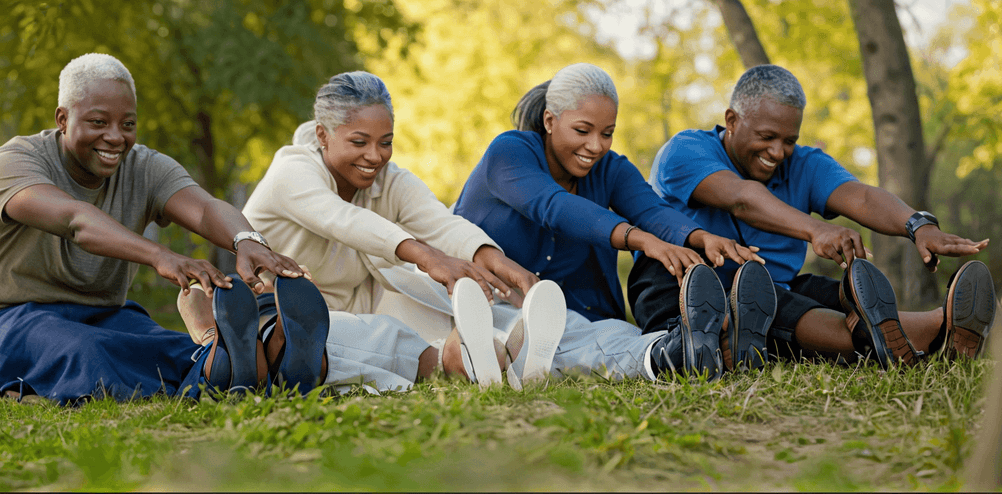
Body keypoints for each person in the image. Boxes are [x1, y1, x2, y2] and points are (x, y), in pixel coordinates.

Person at [0, 53, 323, 405]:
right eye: (98, 122)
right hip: (4, 322)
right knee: (84, 354)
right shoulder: (13, 163)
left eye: (128, 124)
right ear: (62, 119)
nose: (115, 137)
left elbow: (205, 209)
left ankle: (261, 358)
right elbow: (76, 220)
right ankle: (225, 366)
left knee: (165, 345)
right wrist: (160, 255)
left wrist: (247, 241)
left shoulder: (144, 166)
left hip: (103, 314)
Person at [197, 71, 570, 392]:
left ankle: (502, 348)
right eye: (359, 142)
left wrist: (499, 263)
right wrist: (429, 257)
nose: (375, 156)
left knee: (420, 294)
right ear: (323, 135)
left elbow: (440, 223)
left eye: (385, 142)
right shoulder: (291, 171)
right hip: (282, 315)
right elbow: (343, 220)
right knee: (366, 336)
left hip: (362, 300)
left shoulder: (390, 181)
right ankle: (453, 359)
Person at [633, 64, 996, 368]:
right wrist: (815, 230)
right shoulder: (686, 150)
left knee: (830, 292)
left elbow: (864, 197)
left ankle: (904, 334)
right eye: (767, 136)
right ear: (731, 119)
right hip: (684, 291)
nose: (777, 152)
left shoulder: (803, 164)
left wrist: (917, 225)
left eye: (789, 140)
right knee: (766, 304)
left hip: (771, 287)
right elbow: (743, 198)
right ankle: (935, 328)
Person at [453, 63, 776, 380]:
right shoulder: (509, 152)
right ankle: (680, 353)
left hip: (577, 316)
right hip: (488, 301)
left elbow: (651, 210)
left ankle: (704, 347)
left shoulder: (610, 169)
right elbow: (553, 206)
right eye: (582, 131)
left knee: (618, 333)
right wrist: (642, 240)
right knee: (555, 342)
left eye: (607, 134)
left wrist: (701, 237)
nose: (596, 146)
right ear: (550, 121)